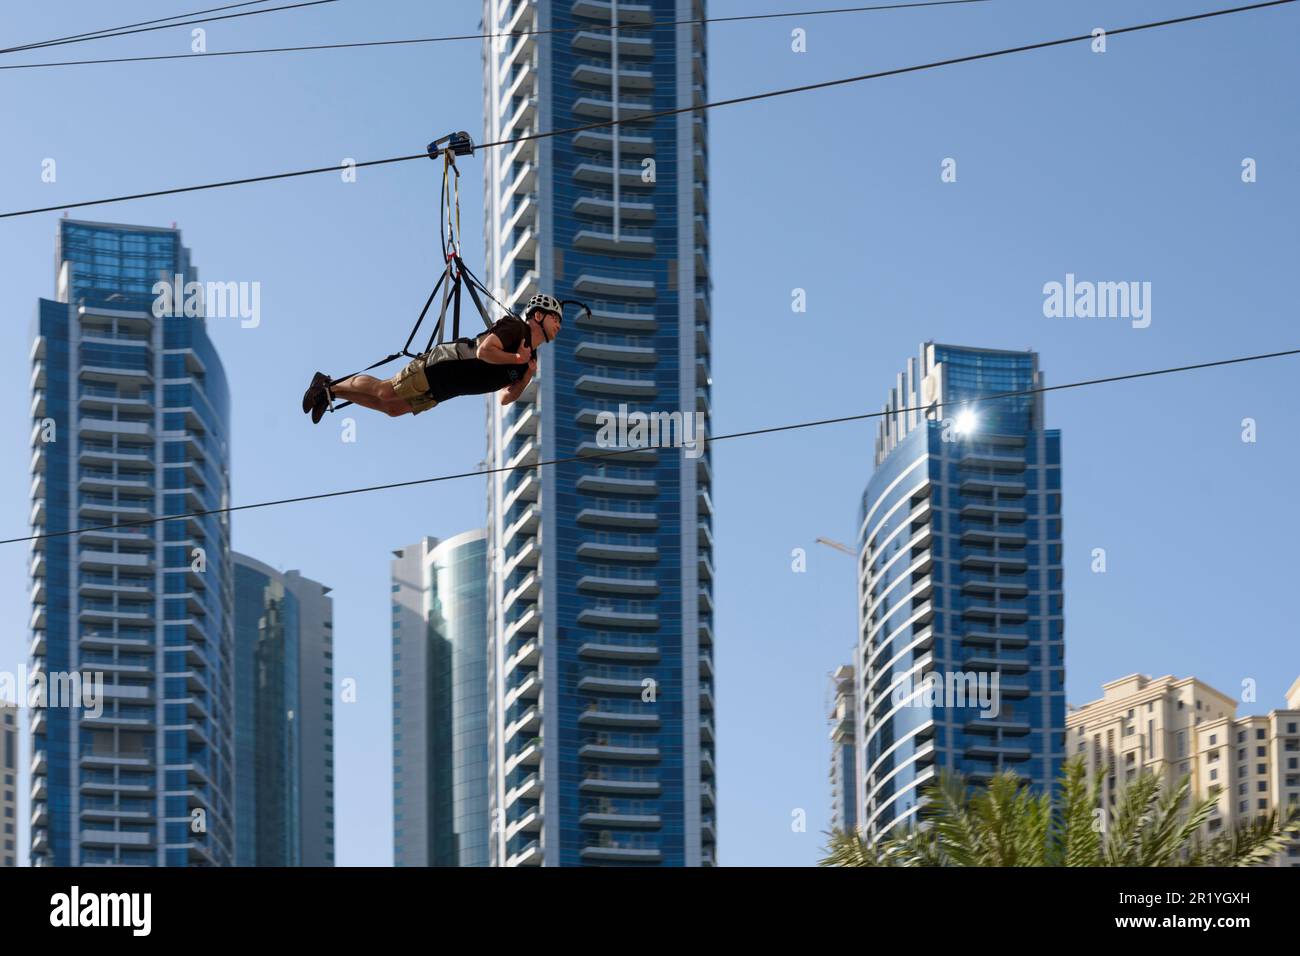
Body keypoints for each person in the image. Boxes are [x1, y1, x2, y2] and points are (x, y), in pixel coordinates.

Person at [301, 292, 563, 423]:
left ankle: (330, 392)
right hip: (444, 367)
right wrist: (517, 359)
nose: (559, 325)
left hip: (446, 388)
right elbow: (485, 351)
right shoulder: (515, 328)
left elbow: (506, 398)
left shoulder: (529, 358)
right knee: (385, 391)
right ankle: (328, 385)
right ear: (538, 315)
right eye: (555, 318)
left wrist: (526, 375)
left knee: (392, 409)